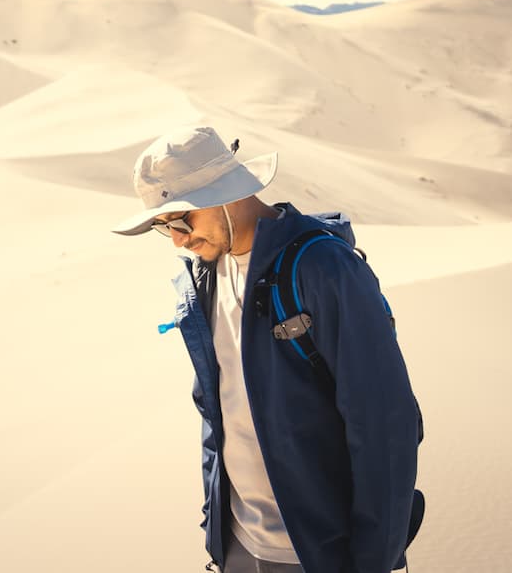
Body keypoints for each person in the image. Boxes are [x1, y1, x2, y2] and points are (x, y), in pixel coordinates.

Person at [112, 126, 423, 573]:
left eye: (181, 220)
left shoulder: (323, 269)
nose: (178, 239)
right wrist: (215, 528)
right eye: (165, 229)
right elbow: (216, 414)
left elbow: (385, 426)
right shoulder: (202, 280)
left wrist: (372, 561)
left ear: (222, 194)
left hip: (320, 554)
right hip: (239, 546)